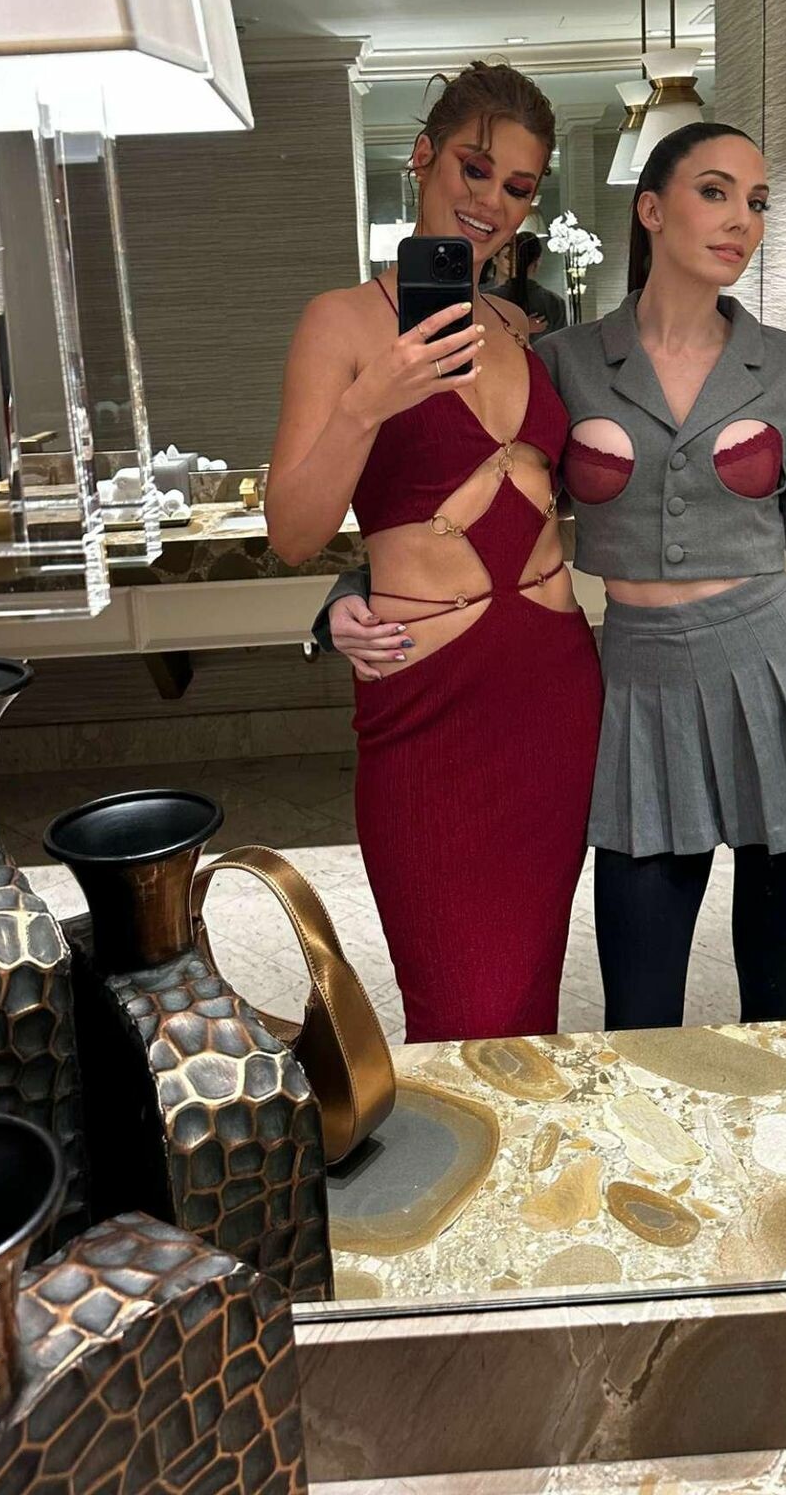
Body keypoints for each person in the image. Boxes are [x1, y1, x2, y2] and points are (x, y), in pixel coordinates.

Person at [322, 120, 786, 1032]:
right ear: (650, 210)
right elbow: (472, 503)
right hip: (639, 696)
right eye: (714, 192)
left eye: (757, 203)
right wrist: (350, 593)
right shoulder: (564, 363)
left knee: (778, 1000)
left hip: (781, 688)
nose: (742, 221)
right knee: (636, 1010)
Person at [266, 62, 603, 1044]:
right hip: (427, 704)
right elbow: (292, 531)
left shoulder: (525, 329)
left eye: (520, 186)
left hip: (552, 691)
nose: (492, 201)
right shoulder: (340, 322)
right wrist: (371, 400)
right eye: (474, 167)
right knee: (460, 1011)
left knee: (528, 1002)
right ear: (423, 156)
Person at [493, 233, 568, 336]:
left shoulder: (489, 298)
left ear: (512, 259)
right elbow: (561, 342)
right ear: (537, 261)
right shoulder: (554, 302)